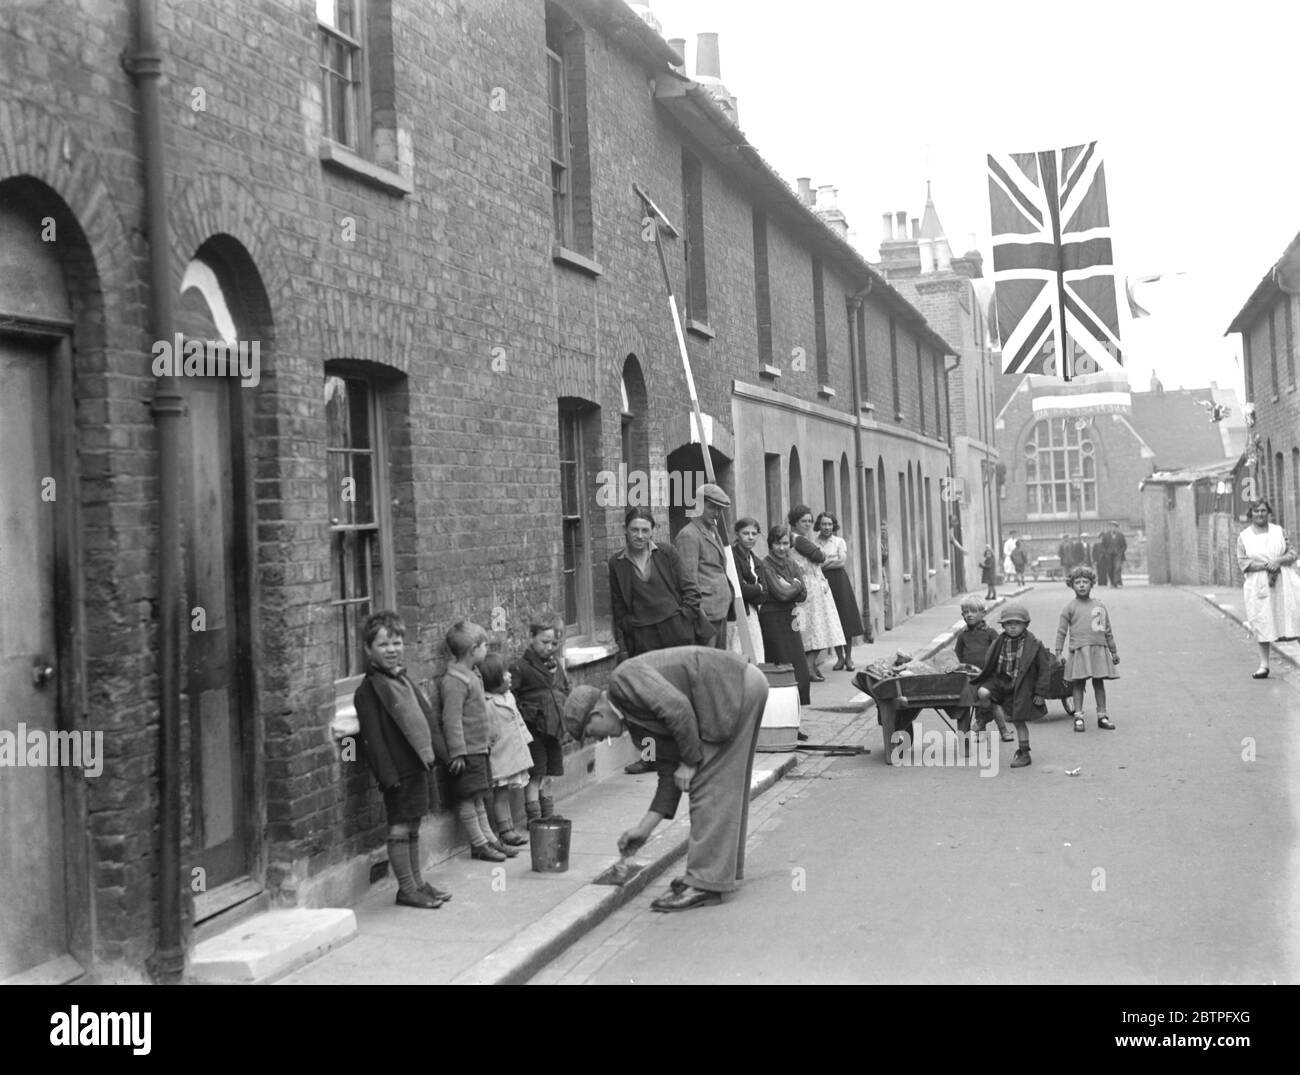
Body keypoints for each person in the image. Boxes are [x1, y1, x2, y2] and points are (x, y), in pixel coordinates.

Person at [562, 646, 768, 913]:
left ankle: (705, 883)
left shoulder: (623, 679)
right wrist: (644, 828)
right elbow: (667, 771)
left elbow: (678, 708)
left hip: (732, 688)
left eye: (594, 734)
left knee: (707, 785)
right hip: (735, 689)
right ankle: (714, 875)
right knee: (724, 785)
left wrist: (690, 761)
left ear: (597, 715)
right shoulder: (637, 730)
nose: (601, 740)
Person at [353, 611, 453, 908]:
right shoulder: (368, 690)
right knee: (399, 826)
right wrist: (388, 777)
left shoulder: (403, 680)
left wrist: (442, 754)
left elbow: (425, 718)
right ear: (368, 649)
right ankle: (406, 889)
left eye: (397, 643)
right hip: (398, 771)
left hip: (416, 764)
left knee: (413, 825)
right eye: (384, 645)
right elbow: (372, 739)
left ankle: (418, 883)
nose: (392, 650)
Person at [440, 621, 518, 862]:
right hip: (468, 752)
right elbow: (451, 720)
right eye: (484, 646)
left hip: (479, 748)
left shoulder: (472, 675)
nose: (487, 649)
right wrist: (458, 752)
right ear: (473, 649)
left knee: (479, 797)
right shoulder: (455, 681)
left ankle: (490, 839)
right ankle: (478, 844)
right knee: (468, 799)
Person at [608, 506, 703, 660]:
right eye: (634, 530)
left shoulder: (667, 553)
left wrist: (683, 620)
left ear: (652, 531)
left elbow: (691, 589)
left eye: (645, 530)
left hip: (676, 631)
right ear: (625, 529)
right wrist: (631, 627)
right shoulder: (617, 563)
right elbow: (618, 605)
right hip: (642, 638)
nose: (639, 536)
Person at [972, 603, 1052, 769]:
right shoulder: (999, 641)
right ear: (1003, 626)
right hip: (1000, 680)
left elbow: (1044, 670)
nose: (1013, 627)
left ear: (1026, 624)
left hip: (1021, 685)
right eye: (1008, 624)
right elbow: (990, 659)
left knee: (1018, 720)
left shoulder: (1034, 645)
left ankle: (1024, 752)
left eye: (1017, 623)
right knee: (982, 692)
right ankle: (985, 715)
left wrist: (1040, 692)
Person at [511, 616, 572, 810]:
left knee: (549, 772)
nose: (549, 647)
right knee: (536, 772)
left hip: (553, 728)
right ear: (531, 637)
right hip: (533, 730)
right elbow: (512, 697)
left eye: (554, 643)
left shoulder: (556, 666)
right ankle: (534, 817)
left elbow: (565, 688)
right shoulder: (520, 667)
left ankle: (548, 813)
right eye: (544, 642)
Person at [1236, 498, 1300, 679]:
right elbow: (1243, 563)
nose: (1260, 514)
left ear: (1268, 513)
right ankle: (1264, 665)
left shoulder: (1279, 532)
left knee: (1293, 617)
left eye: (1263, 511)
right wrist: (1267, 565)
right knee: (1263, 620)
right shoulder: (1244, 537)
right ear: (1251, 514)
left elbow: (1293, 553)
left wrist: (1278, 561)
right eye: (1256, 511)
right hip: (1258, 583)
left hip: (1284, 580)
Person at [1054, 564, 1120, 731]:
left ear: (1092, 584)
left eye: (1085, 581)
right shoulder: (1069, 608)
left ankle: (1102, 716)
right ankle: (1078, 717)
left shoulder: (1099, 606)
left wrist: (1113, 651)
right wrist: (1058, 652)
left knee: (1099, 683)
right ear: (1072, 585)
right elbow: (1061, 631)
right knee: (1078, 684)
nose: (1082, 585)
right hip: (1079, 650)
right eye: (1078, 582)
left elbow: (1108, 630)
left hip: (1098, 650)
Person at [480, 653, 533, 846]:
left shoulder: (508, 696)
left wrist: (525, 738)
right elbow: (486, 732)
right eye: (504, 674)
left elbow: (518, 719)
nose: (510, 676)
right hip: (499, 755)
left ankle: (508, 826)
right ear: (493, 680)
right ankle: (505, 830)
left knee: (507, 793)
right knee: (500, 793)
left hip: (513, 751)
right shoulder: (488, 703)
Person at [674, 483, 735, 650]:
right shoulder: (688, 535)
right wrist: (700, 617)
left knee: (718, 662)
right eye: (711, 507)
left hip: (720, 610)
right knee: (707, 665)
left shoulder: (712, 530)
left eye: (719, 509)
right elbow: (688, 581)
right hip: (705, 615)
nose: (716, 513)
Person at [757, 524, 812, 706]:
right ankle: (783, 716)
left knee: (799, 670)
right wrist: (795, 585)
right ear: (770, 544)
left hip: (791, 617)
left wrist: (790, 587)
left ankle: (796, 719)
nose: (781, 548)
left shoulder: (792, 563)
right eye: (777, 543)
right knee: (780, 667)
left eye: (785, 543)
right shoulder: (765, 565)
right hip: (772, 618)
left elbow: (803, 596)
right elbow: (780, 594)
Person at [788, 505, 845, 680]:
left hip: (808, 586)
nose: (807, 524)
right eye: (803, 521)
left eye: (810, 521)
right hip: (810, 588)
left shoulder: (797, 539)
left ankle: (810, 666)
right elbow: (820, 557)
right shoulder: (800, 540)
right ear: (795, 523)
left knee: (812, 628)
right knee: (817, 628)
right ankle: (808, 667)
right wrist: (821, 553)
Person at [953, 596, 1013, 743]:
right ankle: (982, 731)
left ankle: (1002, 730)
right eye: (965, 612)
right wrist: (967, 667)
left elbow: (1001, 650)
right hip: (971, 675)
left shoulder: (990, 633)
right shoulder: (963, 636)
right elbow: (958, 652)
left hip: (989, 675)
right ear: (962, 615)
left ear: (983, 613)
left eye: (973, 611)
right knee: (974, 701)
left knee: (992, 702)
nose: (969, 615)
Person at [815, 511, 864, 670]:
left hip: (840, 581)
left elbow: (841, 562)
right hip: (824, 583)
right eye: (824, 524)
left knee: (845, 618)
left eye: (829, 524)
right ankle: (840, 658)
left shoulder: (839, 542)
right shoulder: (815, 543)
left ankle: (849, 658)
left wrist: (825, 562)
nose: (827, 527)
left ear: (833, 526)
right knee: (832, 619)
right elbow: (816, 565)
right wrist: (831, 560)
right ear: (819, 525)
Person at [728, 517, 767, 664]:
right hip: (738, 613)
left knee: (755, 653)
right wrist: (758, 588)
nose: (750, 537)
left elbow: (765, 594)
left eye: (754, 533)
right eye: (746, 533)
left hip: (753, 613)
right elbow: (739, 588)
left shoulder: (756, 560)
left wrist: (756, 590)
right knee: (738, 651)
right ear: (737, 534)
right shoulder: (731, 556)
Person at [1105, 522, 1128, 587]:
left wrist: (1121, 551)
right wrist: (1106, 552)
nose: (1113, 528)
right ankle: (1112, 581)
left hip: (1118, 555)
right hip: (1109, 555)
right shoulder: (1106, 536)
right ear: (1110, 528)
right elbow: (1103, 546)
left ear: (1116, 528)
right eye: (1111, 527)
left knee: (1117, 567)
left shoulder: (1120, 535)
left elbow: (1124, 545)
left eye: (1114, 527)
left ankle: (1115, 582)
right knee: (1110, 569)